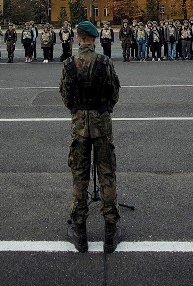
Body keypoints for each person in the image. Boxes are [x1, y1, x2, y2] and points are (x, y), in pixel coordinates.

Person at [59, 20, 121, 254]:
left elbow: (65, 96)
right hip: (101, 122)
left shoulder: (68, 64)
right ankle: (109, 232)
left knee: (79, 175)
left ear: (78, 38)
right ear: (94, 39)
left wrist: (79, 110)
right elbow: (114, 92)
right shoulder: (104, 62)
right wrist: (103, 109)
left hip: (79, 124)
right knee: (106, 173)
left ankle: (81, 233)